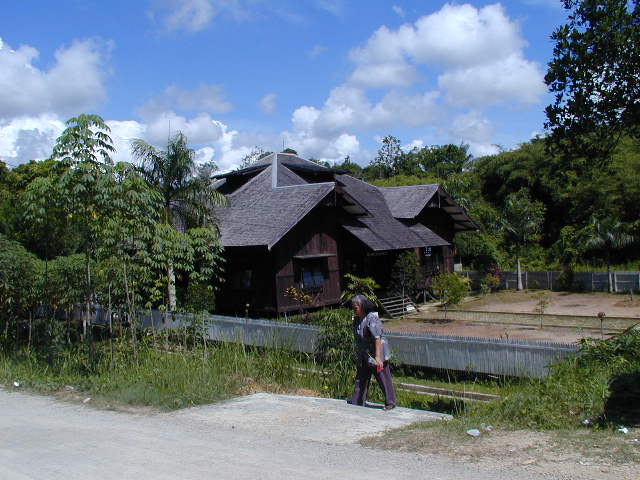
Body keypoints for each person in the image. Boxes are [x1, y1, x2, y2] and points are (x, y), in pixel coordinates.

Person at [349, 294, 396, 410]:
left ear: (363, 306)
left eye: (356, 307)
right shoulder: (357, 320)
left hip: (377, 353)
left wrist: (378, 357)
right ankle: (358, 400)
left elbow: (377, 337)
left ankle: (390, 402)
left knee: (383, 377)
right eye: (353, 308)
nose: (354, 310)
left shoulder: (372, 318)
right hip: (365, 354)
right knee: (361, 377)